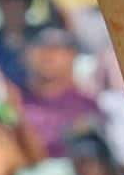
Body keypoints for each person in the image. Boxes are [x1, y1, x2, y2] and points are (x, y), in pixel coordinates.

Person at [17, 28, 102, 158]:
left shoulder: (89, 105)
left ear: (72, 55)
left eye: (56, 49)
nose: (48, 56)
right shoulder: (13, 102)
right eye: (40, 47)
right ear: (26, 54)